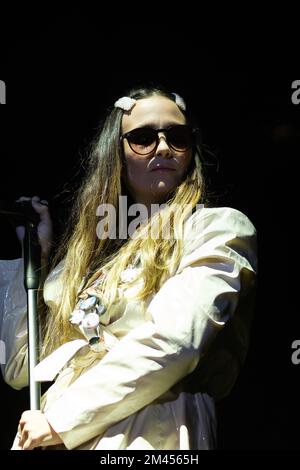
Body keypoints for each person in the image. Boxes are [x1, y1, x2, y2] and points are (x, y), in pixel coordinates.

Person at [0, 85, 257, 450]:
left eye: (178, 137)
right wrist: (34, 258)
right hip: (52, 433)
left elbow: (175, 341)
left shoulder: (216, 227)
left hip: (148, 430)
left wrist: (62, 419)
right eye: (143, 137)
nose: (164, 147)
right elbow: (20, 368)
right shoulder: (86, 260)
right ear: (116, 153)